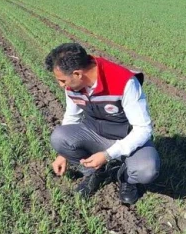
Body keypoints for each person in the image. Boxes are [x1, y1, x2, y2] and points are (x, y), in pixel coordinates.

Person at [46, 43, 160, 205]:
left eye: (62, 80)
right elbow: (72, 117)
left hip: (126, 136)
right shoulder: (73, 85)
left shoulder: (124, 82)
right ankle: (94, 172)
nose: (61, 85)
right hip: (95, 132)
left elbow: (143, 129)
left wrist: (107, 155)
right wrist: (62, 154)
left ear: (77, 73)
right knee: (59, 137)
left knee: (147, 169)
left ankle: (126, 178)